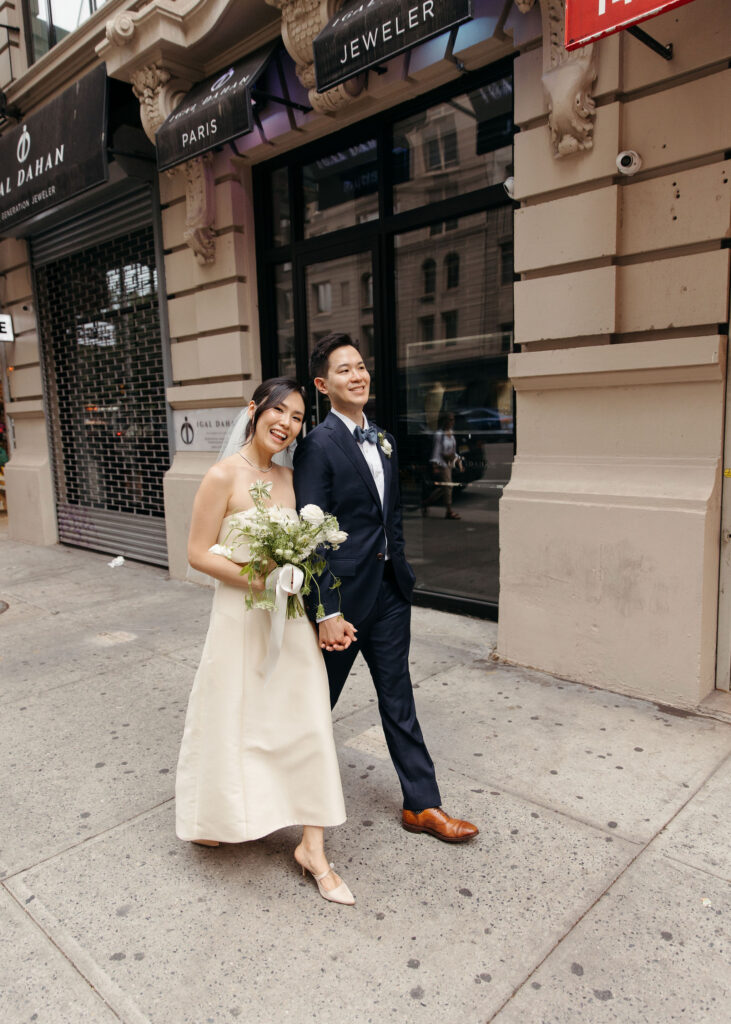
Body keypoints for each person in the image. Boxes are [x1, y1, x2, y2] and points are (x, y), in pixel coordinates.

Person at [293, 334, 478, 843]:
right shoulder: (317, 445)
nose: (357, 375)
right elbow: (312, 531)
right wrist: (325, 609)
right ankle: (257, 793)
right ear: (322, 384)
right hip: (343, 604)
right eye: (344, 369)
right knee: (311, 704)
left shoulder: (384, 438)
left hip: (391, 593)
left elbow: (389, 516)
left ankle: (423, 804)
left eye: (361, 366)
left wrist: (402, 571)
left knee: (399, 699)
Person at [176, 377, 354, 906]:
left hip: (290, 618)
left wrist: (317, 601)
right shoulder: (221, 476)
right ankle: (225, 813)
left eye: (299, 418)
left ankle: (313, 847)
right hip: (241, 617)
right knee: (235, 717)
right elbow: (197, 552)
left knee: (306, 720)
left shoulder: (293, 477)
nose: (288, 424)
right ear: (254, 411)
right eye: (280, 411)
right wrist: (256, 577)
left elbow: (309, 552)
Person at [423, 411, 463, 520]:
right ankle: (449, 511)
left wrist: (458, 461)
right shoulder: (439, 435)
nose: (452, 422)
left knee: (444, 488)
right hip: (441, 463)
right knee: (449, 486)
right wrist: (435, 466)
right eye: (450, 419)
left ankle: (426, 502)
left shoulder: (451, 433)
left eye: (453, 419)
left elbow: (453, 450)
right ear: (444, 421)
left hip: (449, 463)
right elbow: (436, 450)